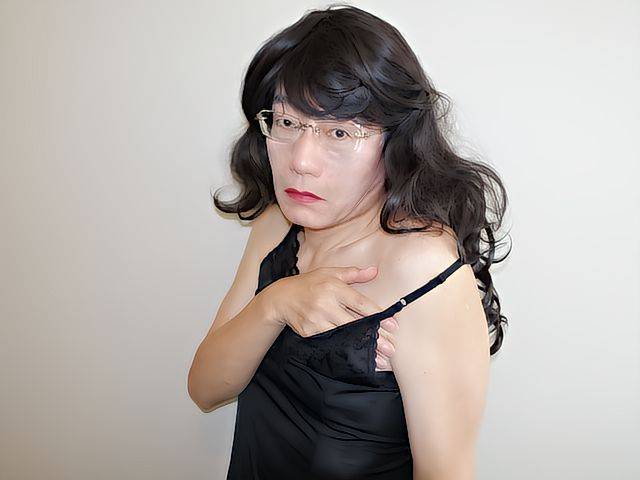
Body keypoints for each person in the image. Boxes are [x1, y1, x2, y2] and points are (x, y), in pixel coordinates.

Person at [188, 4, 510, 479]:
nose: (301, 161)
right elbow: (205, 387)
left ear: (395, 140)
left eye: (339, 131)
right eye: (287, 123)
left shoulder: (424, 273)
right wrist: (275, 304)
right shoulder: (278, 226)